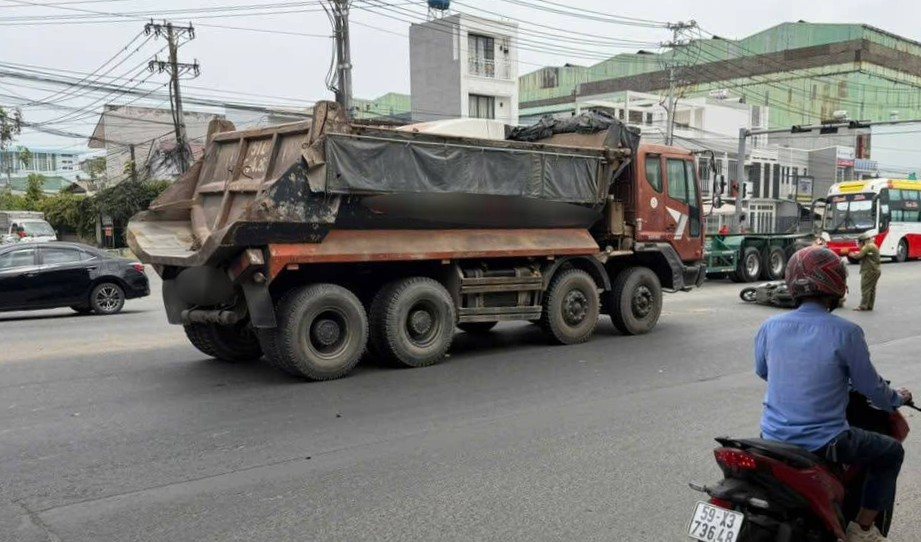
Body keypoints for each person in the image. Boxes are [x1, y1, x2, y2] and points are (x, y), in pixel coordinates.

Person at [755, 246, 912, 542]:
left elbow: (765, 372)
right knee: (892, 452)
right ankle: (862, 529)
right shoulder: (846, 332)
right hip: (825, 441)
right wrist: (897, 398)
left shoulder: (769, 326)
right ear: (837, 285)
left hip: (772, 437)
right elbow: (872, 388)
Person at [849, 232, 881, 311]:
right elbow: (865, 254)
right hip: (875, 270)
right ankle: (869, 305)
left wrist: (851, 254)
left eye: (859, 242)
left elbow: (859, 256)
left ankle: (863, 306)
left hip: (869, 270)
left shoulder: (868, 246)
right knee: (871, 289)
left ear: (863, 241)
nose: (859, 244)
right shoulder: (873, 245)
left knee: (865, 288)